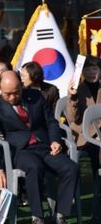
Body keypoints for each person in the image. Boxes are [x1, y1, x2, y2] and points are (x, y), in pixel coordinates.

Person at [0, 70, 78, 224]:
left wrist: (55, 140)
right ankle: (37, 217)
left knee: (71, 168)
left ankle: (60, 215)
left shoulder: (35, 96)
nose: (12, 97)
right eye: (7, 94)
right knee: (34, 166)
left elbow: (51, 122)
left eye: (16, 92)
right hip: (20, 150)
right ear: (0, 89)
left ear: (22, 85)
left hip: (45, 146)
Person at [66, 55, 101, 220]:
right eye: (87, 69)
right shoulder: (78, 89)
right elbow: (73, 118)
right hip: (85, 136)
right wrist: (72, 97)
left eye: (95, 68)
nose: (91, 72)